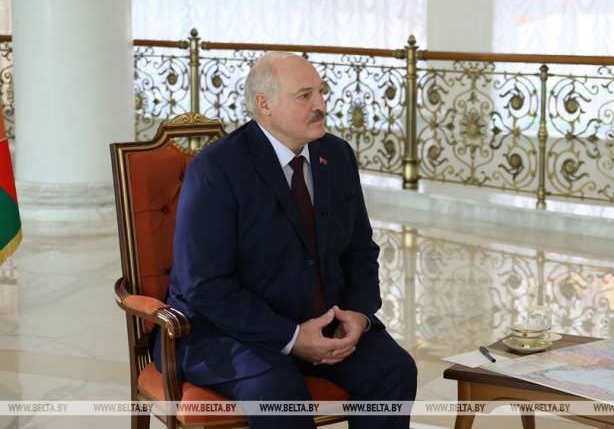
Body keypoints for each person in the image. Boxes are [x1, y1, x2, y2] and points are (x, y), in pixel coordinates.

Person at [152, 51, 417, 429]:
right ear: (265, 105)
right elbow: (204, 285)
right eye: (305, 95)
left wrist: (358, 314)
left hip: (322, 322)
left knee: (394, 370)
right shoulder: (217, 170)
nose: (321, 105)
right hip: (225, 333)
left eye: (322, 92)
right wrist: (292, 337)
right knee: (280, 394)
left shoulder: (337, 155)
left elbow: (360, 249)